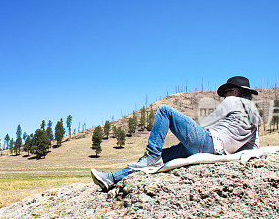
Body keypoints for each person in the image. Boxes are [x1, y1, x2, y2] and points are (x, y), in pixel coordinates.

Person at [91, 75, 261, 192]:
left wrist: (194, 131)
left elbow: (208, 123)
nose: (224, 97)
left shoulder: (233, 100)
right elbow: (253, 147)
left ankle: (149, 158)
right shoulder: (255, 116)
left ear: (236, 92)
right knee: (161, 157)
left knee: (165, 111)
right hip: (216, 151)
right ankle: (112, 178)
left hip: (207, 142)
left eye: (227, 92)